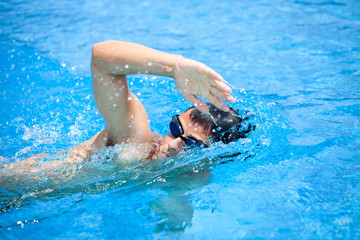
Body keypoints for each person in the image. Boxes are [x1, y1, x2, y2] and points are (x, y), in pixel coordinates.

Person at [68, 40, 253, 162]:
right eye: (175, 129)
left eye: (191, 144)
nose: (173, 145)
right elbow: (100, 59)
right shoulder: (136, 145)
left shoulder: (187, 182)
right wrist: (174, 66)